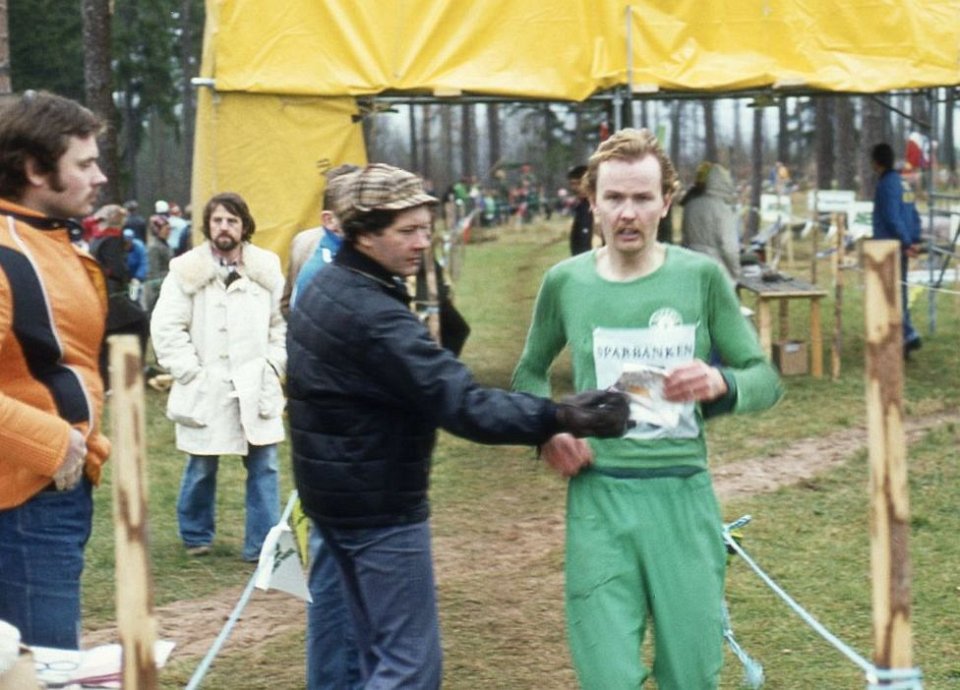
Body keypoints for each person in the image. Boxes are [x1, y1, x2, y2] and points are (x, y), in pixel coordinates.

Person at [287, 163, 631, 689]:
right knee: (409, 667)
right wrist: (559, 415)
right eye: (407, 231)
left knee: (369, 654)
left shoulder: (329, 285)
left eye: (426, 228)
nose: (422, 242)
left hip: (336, 497)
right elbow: (463, 403)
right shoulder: (373, 315)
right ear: (363, 233)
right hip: (378, 511)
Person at [512, 128, 783, 690]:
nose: (627, 213)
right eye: (614, 198)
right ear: (592, 202)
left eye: (642, 197)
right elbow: (529, 371)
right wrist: (548, 430)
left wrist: (722, 381)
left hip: (683, 499)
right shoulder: (565, 282)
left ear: (666, 201)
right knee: (607, 677)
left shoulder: (700, 277)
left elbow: (765, 379)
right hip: (600, 500)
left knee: (691, 676)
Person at [0, 90, 111, 649]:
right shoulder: (6, 252)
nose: (100, 177)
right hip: (23, 497)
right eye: (84, 164)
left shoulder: (45, 239)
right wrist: (53, 441)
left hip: (50, 491)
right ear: (35, 170)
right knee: (42, 670)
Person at [151, 192, 286, 560]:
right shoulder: (186, 272)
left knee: (265, 464)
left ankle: (262, 544)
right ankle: (196, 534)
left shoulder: (265, 270)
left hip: (256, 383)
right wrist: (189, 371)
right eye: (217, 221)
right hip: (206, 384)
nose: (224, 227)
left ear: (244, 226)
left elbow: (281, 324)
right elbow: (166, 328)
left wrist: (274, 364)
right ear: (208, 226)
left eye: (232, 221)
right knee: (201, 463)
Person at [870, 142, 923, 358]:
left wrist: (907, 242)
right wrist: (914, 239)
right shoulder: (904, 183)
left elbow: (892, 217)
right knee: (899, 291)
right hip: (902, 244)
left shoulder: (885, 185)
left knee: (889, 293)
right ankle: (903, 342)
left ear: (876, 163)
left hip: (888, 246)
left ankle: (907, 334)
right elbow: (914, 214)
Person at [680, 161, 741, 284]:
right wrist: (736, 272)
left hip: (691, 267)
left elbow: (685, 239)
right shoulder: (723, 209)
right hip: (715, 270)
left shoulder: (690, 205)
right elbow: (729, 247)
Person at [568, 164, 594, 255]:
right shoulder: (581, 207)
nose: (575, 188)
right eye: (572, 184)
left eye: (578, 183)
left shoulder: (595, 207)